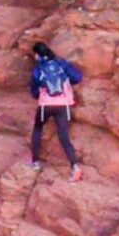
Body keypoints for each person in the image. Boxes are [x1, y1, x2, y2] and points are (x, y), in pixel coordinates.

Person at [28, 42, 83, 182]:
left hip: (46, 105)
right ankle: (75, 166)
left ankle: (35, 162)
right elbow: (77, 78)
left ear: (37, 55)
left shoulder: (38, 70)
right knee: (64, 135)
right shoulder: (62, 64)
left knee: (38, 129)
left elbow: (34, 92)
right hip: (63, 105)